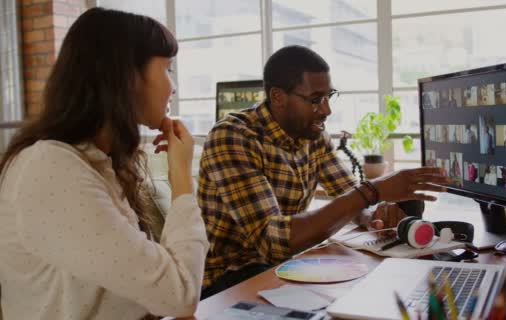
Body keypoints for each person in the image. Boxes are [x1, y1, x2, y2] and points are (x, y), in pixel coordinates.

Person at [0, 8, 208, 319]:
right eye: (168, 69)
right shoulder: (50, 168)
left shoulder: (97, 162)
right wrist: (181, 179)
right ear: (126, 76)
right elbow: (179, 296)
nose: (172, 86)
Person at [197, 45, 449, 298]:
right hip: (225, 280)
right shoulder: (233, 136)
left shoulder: (312, 135)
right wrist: (372, 191)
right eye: (316, 99)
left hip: (279, 266)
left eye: (329, 96)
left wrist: (372, 215)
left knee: (367, 293)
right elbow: (273, 242)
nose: (327, 110)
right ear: (277, 97)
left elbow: (348, 193)